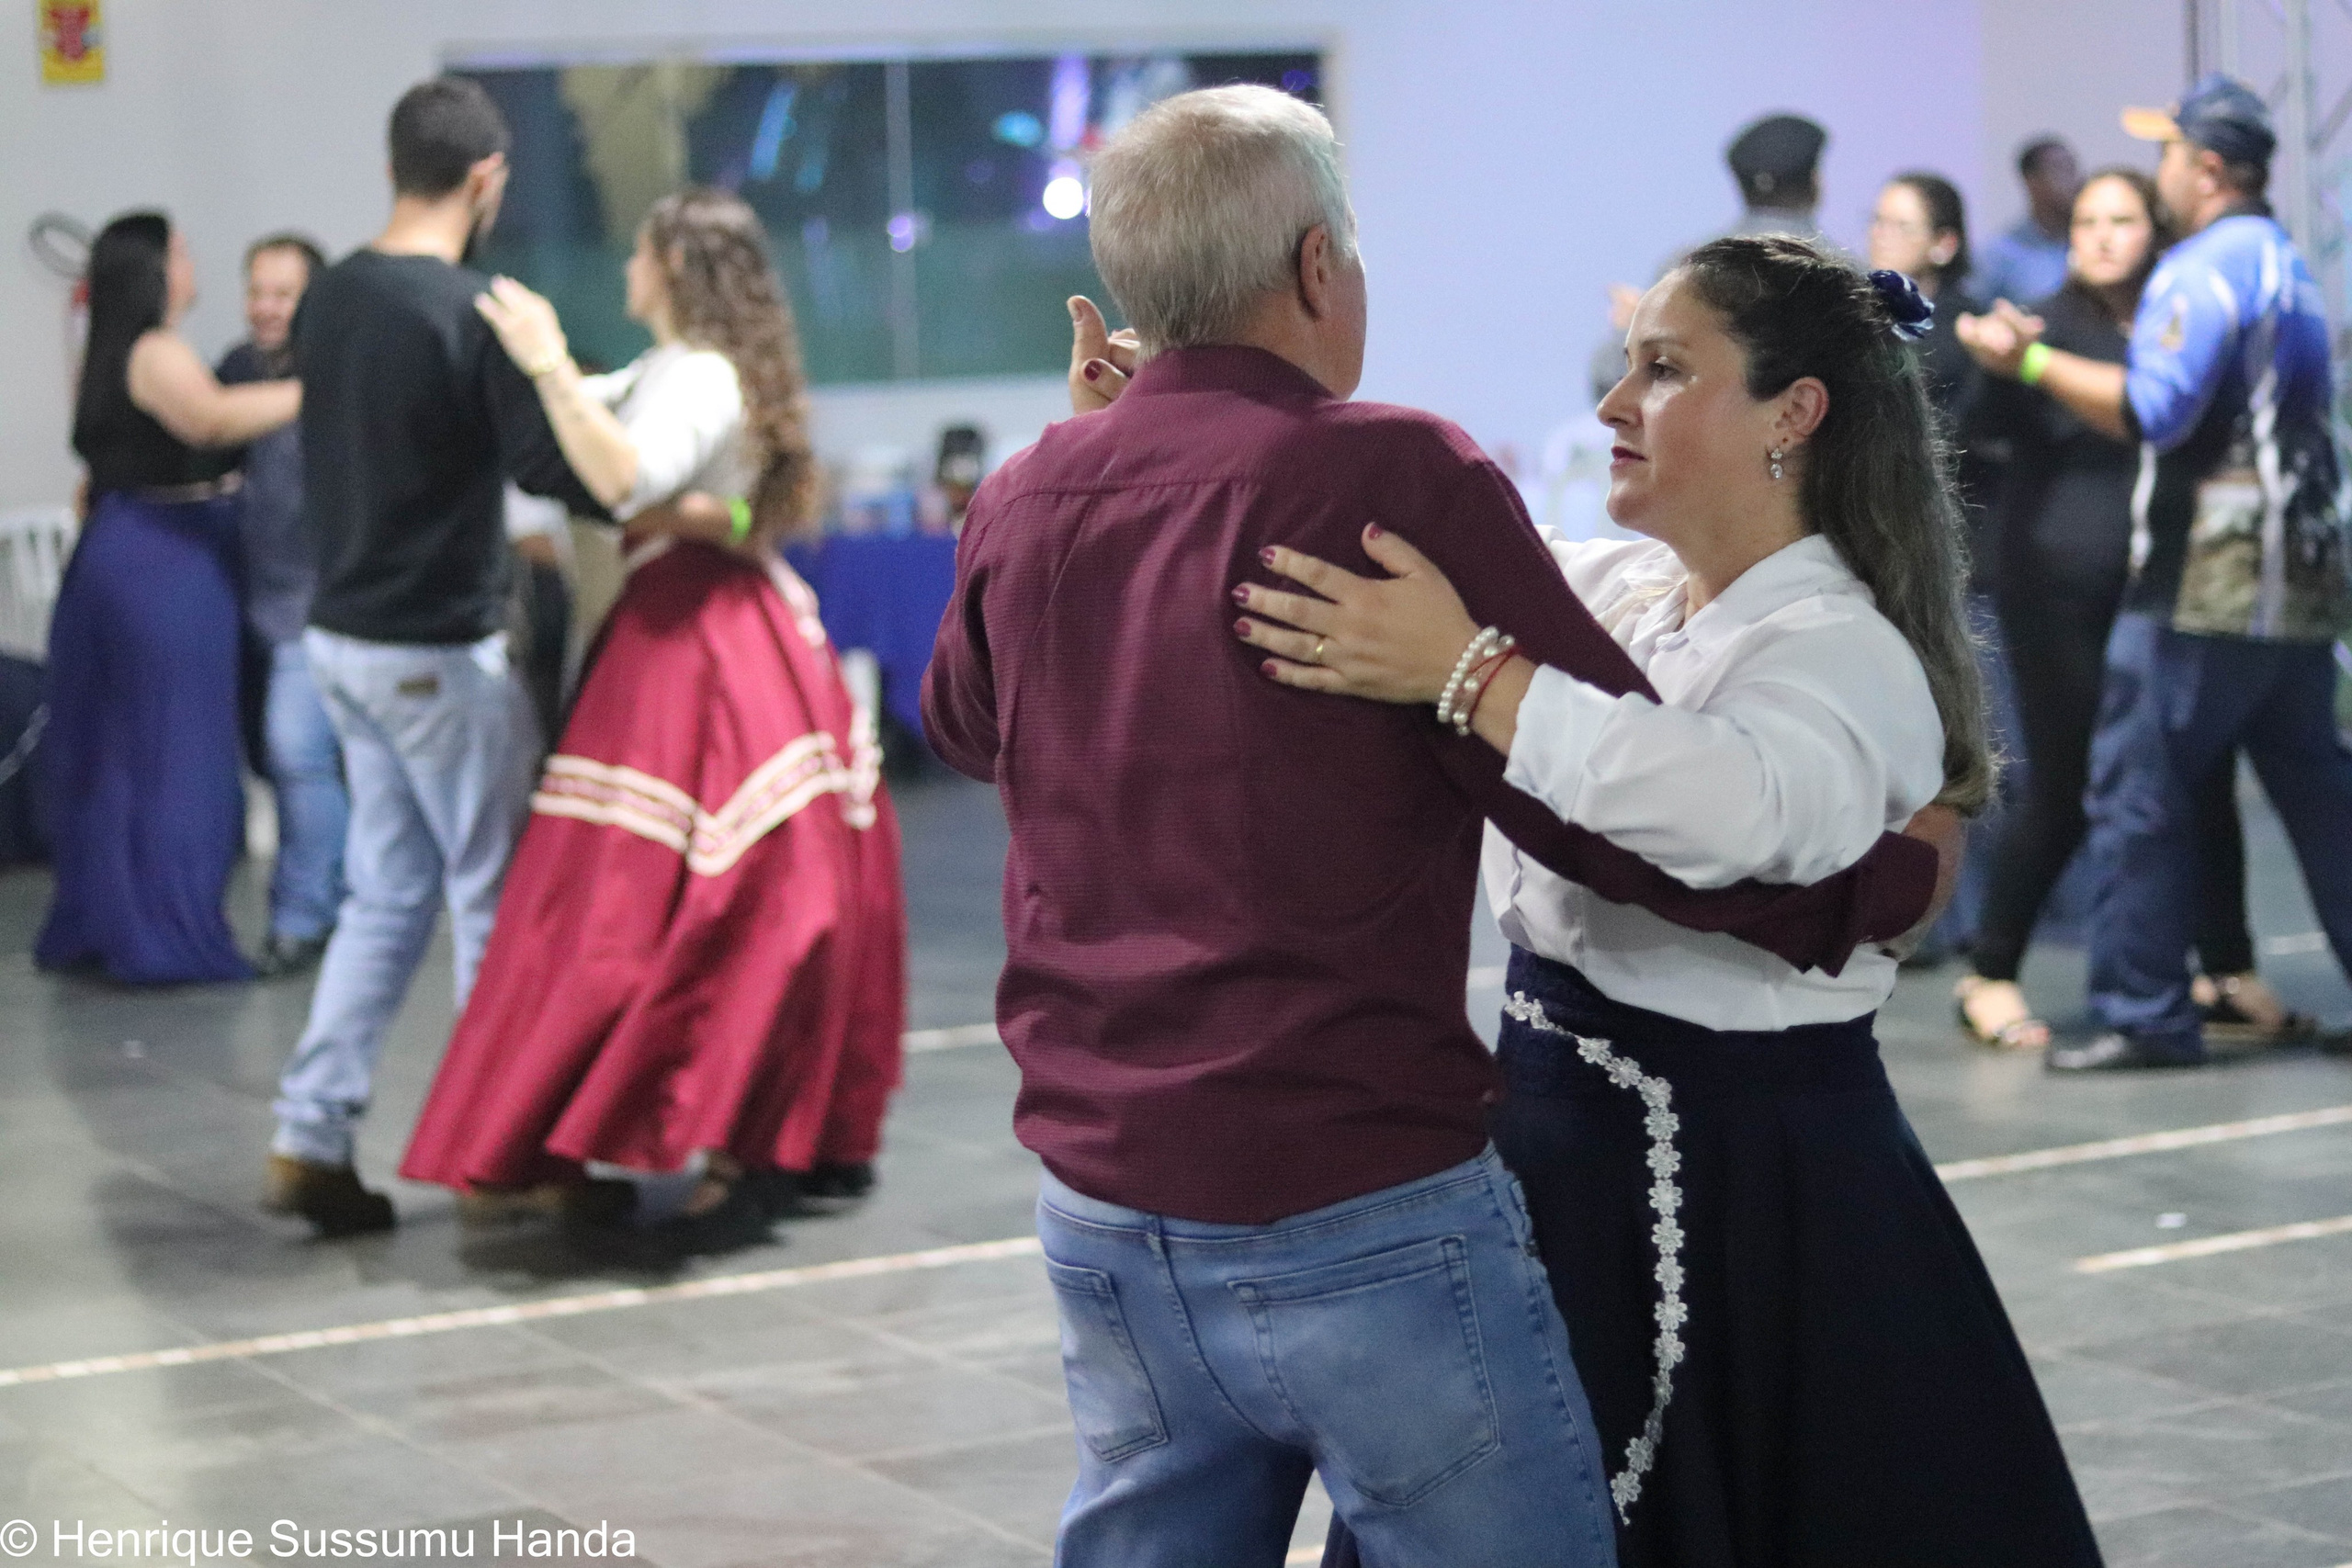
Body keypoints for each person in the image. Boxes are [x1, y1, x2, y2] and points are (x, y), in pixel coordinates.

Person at [932, 86, 1951, 1568]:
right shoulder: (1396, 474)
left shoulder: (1029, 490)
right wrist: (1861, 893)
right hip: (1352, 1203)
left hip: (1102, 1194)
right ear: (1317, 271)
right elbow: (1609, 810)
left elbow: (969, 728)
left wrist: (1094, 485)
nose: (1622, 403)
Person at [1232, 236, 2100, 1568]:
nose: (1613, 403)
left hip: (1755, 1203)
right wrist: (1190, 424)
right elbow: (1413, 539)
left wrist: (1470, 676)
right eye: (1630, 363)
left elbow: (1723, 811)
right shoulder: (1625, 591)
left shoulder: (1843, 649)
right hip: (1553, 1167)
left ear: (1793, 416)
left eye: (1666, 368)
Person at [401, 188, 905, 1234]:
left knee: (694, 898)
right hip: (697, 629)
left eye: (638, 247)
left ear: (672, 265)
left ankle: (736, 1135)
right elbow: (639, 458)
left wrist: (543, 362)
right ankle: (694, 1132)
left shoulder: (701, 375)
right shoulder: (680, 370)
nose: (624, 264)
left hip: (700, 644)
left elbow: (629, 475)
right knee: (656, 894)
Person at [264, 78, 605, 1235]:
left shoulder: (333, 297)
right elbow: (558, 472)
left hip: (343, 639)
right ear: (485, 179)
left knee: (385, 894)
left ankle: (309, 1139)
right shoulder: (477, 311)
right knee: (491, 899)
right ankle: (502, 1149)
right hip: (432, 652)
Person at [1960, 74, 2352, 1072]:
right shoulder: (2284, 264)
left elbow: (2151, 410)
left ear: (2208, 170)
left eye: (2172, 154)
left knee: (2133, 792)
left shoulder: (2202, 268)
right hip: (2298, 570)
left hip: (2204, 574)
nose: (2163, 169)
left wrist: (2032, 364)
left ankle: (2144, 1011)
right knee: (2319, 794)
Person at [37, 212, 300, 985]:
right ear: (152, 269)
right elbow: (211, 418)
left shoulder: (104, 352)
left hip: (123, 554)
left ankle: (109, 915)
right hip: (168, 565)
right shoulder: (156, 351)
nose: (191, 262)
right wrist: (314, 387)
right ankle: (165, 929)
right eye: (179, 250)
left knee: (118, 753)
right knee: (177, 750)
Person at [1867, 172, 2007, 962]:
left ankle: (1966, 924)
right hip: (1894, 569)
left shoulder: (1953, 335)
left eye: (1899, 223)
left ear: (1943, 244)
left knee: (1960, 748)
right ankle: (1920, 917)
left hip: (1955, 579)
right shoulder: (1880, 331)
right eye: (1877, 220)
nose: (1881, 234)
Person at [218, 232, 345, 978]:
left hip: (315, 605)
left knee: (298, 753)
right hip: (245, 599)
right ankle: (337, 897)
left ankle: (303, 918)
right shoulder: (233, 369)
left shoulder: (341, 375)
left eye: (281, 293)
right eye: (255, 290)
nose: (264, 308)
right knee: (279, 761)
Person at [1974, 136, 2080, 309]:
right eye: (2060, 170)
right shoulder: (2000, 253)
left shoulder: (2087, 245)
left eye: (2073, 169)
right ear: (2031, 181)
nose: (2074, 180)